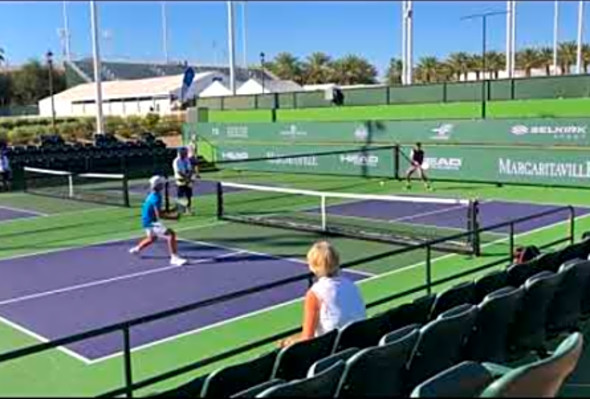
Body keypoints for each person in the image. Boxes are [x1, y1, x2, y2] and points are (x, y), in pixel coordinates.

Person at [278, 241, 366, 348]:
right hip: (357, 342)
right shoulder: (351, 285)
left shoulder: (315, 293)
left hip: (331, 348)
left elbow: (307, 339)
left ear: (312, 266)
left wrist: (288, 342)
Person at [129, 175, 187, 266]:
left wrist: (173, 210)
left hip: (146, 220)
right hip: (151, 222)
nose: (163, 185)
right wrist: (174, 218)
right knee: (171, 234)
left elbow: (157, 211)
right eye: (162, 184)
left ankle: (137, 249)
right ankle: (174, 258)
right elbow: (159, 215)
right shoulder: (156, 198)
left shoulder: (153, 195)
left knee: (152, 238)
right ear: (159, 185)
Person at [173, 146, 198, 215]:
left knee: (188, 195)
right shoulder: (176, 161)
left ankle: (188, 209)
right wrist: (186, 177)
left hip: (188, 180)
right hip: (180, 180)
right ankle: (180, 209)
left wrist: (189, 177)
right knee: (180, 195)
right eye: (184, 152)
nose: (185, 153)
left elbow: (189, 169)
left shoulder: (186, 160)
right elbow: (178, 171)